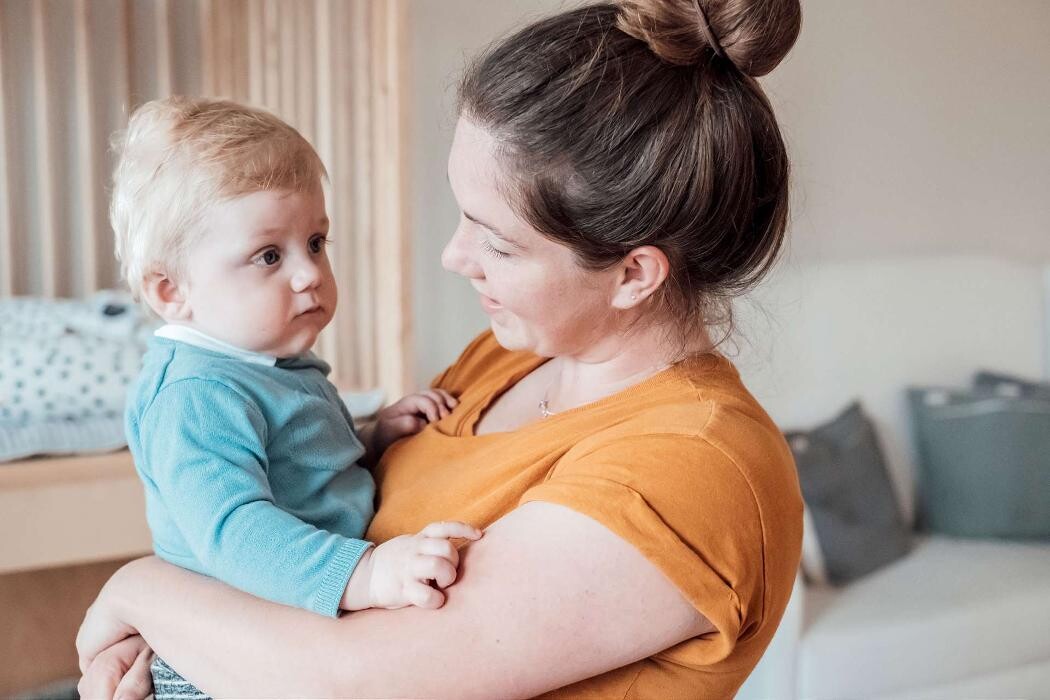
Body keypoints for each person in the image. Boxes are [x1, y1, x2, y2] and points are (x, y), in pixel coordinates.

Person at [77, 0, 804, 697]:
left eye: (497, 242)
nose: (455, 257)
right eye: (464, 216)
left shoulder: (694, 470)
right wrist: (180, 641)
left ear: (633, 273)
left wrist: (139, 590)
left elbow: (342, 684)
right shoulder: (508, 356)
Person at [109, 97, 481, 698]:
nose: (309, 273)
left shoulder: (266, 360)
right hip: (219, 659)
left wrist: (371, 438)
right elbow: (235, 531)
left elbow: (293, 467)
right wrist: (364, 574)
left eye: (315, 241)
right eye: (268, 256)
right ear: (172, 290)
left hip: (287, 623)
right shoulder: (196, 393)